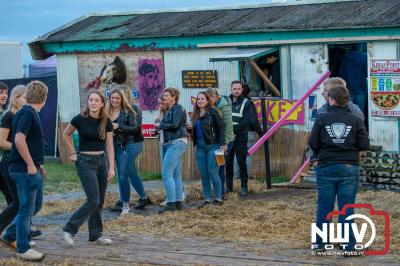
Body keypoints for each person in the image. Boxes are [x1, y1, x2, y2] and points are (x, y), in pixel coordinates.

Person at [309, 85, 370, 253]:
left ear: (332, 100)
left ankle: (319, 245)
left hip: (326, 167)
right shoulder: (356, 120)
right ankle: (348, 246)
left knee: (324, 207)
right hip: (349, 167)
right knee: (347, 208)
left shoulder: (321, 118)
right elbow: (365, 144)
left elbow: (313, 143)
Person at [1, 81, 48, 261]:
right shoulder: (28, 113)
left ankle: (10, 235)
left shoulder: (27, 112)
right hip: (24, 170)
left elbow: (29, 142)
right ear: (44, 98)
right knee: (26, 209)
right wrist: (30, 164)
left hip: (31, 168)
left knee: (35, 206)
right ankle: (22, 247)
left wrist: (38, 163)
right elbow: (19, 141)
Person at [62, 92, 115, 246]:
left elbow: (110, 146)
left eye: (96, 100)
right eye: (90, 100)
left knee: (99, 202)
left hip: (101, 162)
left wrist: (111, 167)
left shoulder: (106, 121)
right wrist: (73, 152)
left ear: (102, 104)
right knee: (93, 200)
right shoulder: (80, 118)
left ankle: (96, 235)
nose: (92, 102)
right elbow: (66, 134)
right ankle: (69, 229)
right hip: (85, 162)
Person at [106, 89, 151, 216]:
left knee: (122, 174)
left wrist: (118, 127)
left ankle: (124, 204)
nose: (114, 100)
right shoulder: (106, 111)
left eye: (117, 98)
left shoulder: (130, 110)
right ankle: (142, 197)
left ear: (123, 98)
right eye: (112, 98)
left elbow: (136, 128)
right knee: (130, 173)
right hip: (113, 145)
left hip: (128, 144)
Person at [157, 87, 188, 213]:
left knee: (167, 174)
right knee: (175, 175)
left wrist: (160, 125)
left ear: (174, 97)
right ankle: (178, 202)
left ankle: (171, 203)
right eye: (164, 95)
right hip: (171, 143)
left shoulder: (178, 108)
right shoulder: (170, 109)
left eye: (167, 95)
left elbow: (175, 126)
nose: (164, 97)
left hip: (176, 142)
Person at [191, 92, 225, 207]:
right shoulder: (195, 114)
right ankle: (207, 199)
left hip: (213, 146)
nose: (199, 100)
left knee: (213, 172)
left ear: (207, 101)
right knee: (204, 174)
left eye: (202, 98)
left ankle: (219, 198)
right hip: (200, 148)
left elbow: (221, 127)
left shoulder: (213, 112)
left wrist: (223, 143)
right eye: (198, 99)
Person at [226, 81, 253, 196]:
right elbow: (223, 117)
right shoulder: (226, 102)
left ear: (241, 89)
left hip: (240, 137)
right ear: (231, 89)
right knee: (228, 163)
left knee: (242, 162)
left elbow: (246, 120)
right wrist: (229, 133)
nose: (236, 90)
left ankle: (244, 187)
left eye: (238, 88)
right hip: (228, 137)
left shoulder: (247, 103)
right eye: (234, 89)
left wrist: (233, 131)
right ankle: (229, 188)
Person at [205, 87, 233, 198]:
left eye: (212, 96)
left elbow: (227, 125)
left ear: (217, 96)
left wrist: (225, 143)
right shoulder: (208, 108)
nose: (210, 98)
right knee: (215, 167)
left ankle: (220, 193)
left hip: (223, 142)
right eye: (208, 97)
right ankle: (217, 192)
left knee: (220, 167)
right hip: (214, 141)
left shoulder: (224, 106)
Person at [234, 85, 263, 180]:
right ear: (249, 93)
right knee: (248, 154)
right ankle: (248, 176)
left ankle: (236, 176)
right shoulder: (249, 103)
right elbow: (253, 120)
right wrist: (260, 132)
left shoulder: (233, 102)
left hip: (235, 132)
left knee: (236, 154)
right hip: (247, 132)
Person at [339, 44, 368, 114]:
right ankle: (360, 124)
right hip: (361, 88)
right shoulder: (364, 58)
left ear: (351, 48)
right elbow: (367, 73)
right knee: (360, 112)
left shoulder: (344, 59)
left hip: (348, 89)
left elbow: (341, 74)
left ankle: (351, 124)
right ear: (360, 47)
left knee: (350, 111)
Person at [0, 81, 10, 204]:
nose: (4, 95)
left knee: (10, 195)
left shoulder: (7, 114)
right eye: (1, 92)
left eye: (6, 93)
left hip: (5, 161)